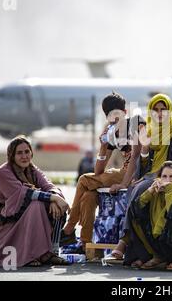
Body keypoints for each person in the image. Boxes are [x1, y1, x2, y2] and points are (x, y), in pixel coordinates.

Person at [61, 92, 144, 251]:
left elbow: (135, 158)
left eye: (118, 115)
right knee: (88, 195)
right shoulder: (112, 132)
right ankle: (85, 244)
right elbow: (98, 171)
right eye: (111, 116)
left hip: (136, 173)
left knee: (84, 180)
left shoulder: (136, 123)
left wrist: (123, 183)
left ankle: (69, 228)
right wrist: (103, 146)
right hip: (124, 171)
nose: (115, 120)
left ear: (125, 112)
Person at [111, 93, 172, 259]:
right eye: (155, 110)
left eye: (163, 110)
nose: (160, 114)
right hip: (149, 176)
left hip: (169, 177)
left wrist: (155, 177)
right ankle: (142, 253)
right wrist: (145, 151)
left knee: (139, 189)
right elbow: (142, 164)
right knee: (135, 188)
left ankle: (124, 241)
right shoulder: (148, 130)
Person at [0, 136, 71, 267]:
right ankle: (32, 254)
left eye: (27, 152)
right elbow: (24, 194)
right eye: (19, 153)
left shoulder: (32, 170)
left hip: (21, 216)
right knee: (37, 204)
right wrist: (54, 198)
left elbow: (49, 186)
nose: (24, 156)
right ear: (12, 156)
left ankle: (51, 252)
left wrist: (54, 198)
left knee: (54, 205)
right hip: (1, 222)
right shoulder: (3, 172)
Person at [124, 161, 172, 270]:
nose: (167, 180)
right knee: (135, 215)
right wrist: (149, 192)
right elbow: (136, 208)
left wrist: (170, 192)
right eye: (164, 176)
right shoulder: (157, 193)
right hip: (166, 243)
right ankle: (159, 256)